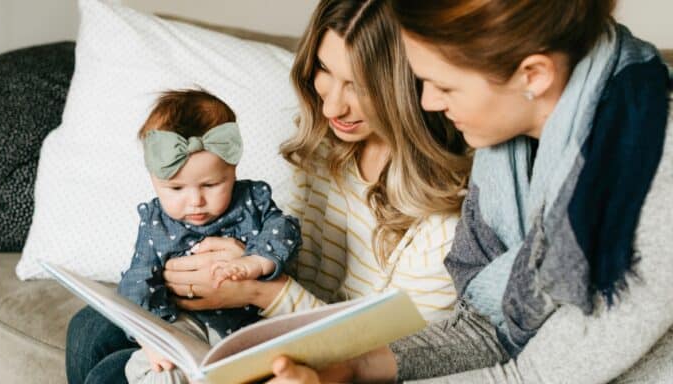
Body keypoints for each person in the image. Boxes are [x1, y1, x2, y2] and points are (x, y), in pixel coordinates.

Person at [66, 0, 471, 383]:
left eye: (359, 86)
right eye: (325, 70)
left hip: (322, 363)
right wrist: (232, 259)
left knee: (114, 373)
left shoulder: (444, 221)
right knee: (90, 328)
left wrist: (259, 289)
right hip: (261, 318)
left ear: (410, 85)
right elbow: (286, 246)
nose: (332, 107)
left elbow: (386, 356)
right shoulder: (327, 147)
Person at [269, 0, 673, 382]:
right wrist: (351, 370)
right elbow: (483, 328)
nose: (426, 102)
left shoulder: (653, 175)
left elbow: (535, 375)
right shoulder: (505, 154)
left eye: (444, 86)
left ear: (533, 75)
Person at [117, 89, 303, 384]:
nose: (195, 201)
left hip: (251, 325)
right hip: (187, 322)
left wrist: (257, 262)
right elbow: (138, 279)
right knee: (154, 370)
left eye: (211, 184)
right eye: (176, 189)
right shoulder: (156, 221)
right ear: (153, 179)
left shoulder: (251, 202)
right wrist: (148, 337)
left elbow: (285, 230)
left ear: (232, 170)